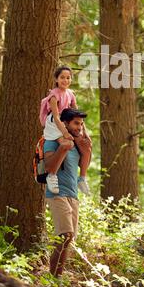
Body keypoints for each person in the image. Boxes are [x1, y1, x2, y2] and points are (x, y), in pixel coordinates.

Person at [44, 108, 87, 277]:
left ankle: (57, 277)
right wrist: (63, 148)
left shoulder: (76, 144)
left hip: (73, 194)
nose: (79, 127)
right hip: (57, 192)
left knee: (68, 240)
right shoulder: (52, 141)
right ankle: (54, 277)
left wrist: (86, 148)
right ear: (65, 124)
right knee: (65, 235)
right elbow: (49, 167)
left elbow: (80, 168)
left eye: (81, 124)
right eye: (76, 123)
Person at [40, 65, 92, 195]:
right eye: (62, 77)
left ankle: (82, 178)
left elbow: (78, 114)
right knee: (66, 143)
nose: (65, 80)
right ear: (56, 79)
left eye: (68, 78)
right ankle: (51, 176)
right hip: (55, 123)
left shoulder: (70, 94)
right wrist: (64, 133)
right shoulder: (54, 95)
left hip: (67, 121)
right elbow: (56, 117)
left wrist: (85, 132)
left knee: (87, 145)